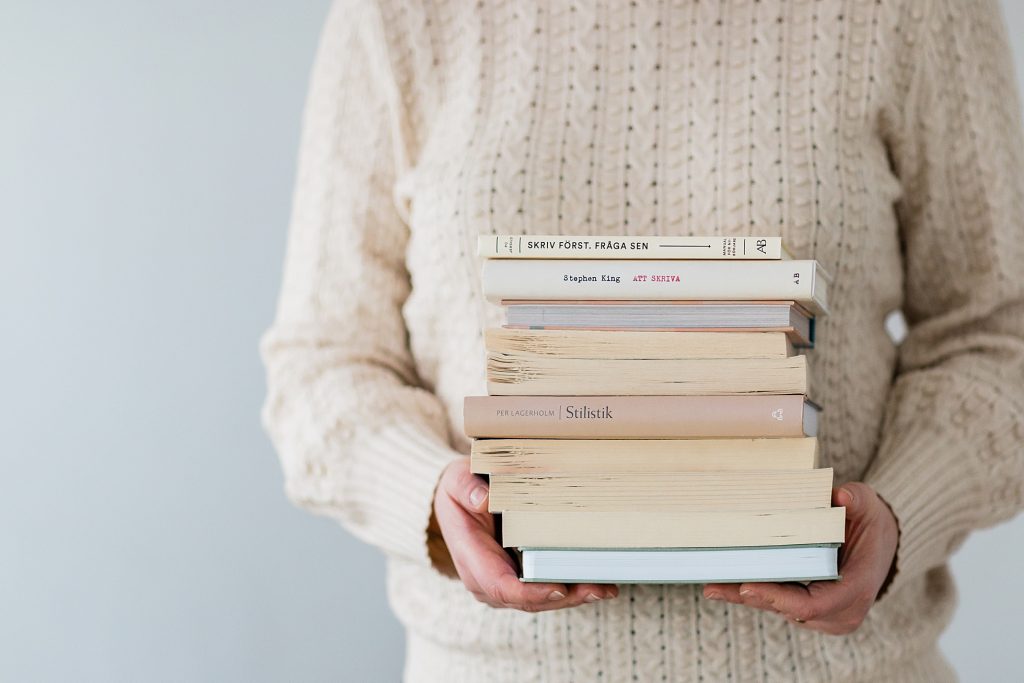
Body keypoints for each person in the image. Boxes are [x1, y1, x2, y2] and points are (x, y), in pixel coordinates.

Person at [260, 0, 1024, 680]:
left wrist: (900, 513)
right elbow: (324, 363)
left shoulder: (918, 13)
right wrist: (431, 498)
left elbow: (998, 336)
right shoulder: (396, 18)